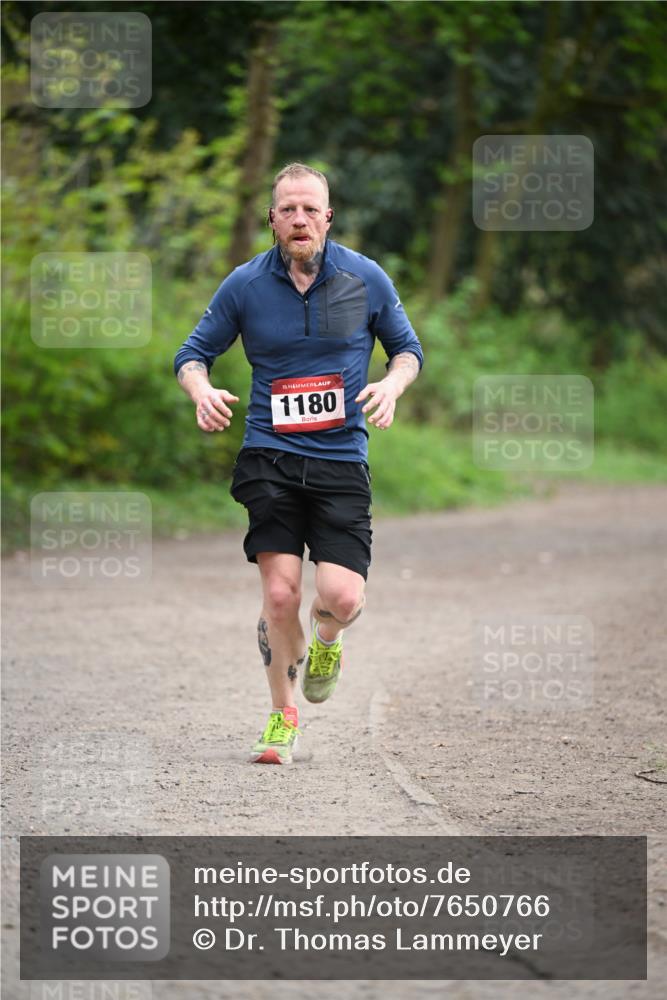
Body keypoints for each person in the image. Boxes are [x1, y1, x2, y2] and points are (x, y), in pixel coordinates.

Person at [174, 163, 423, 764]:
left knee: (341, 597)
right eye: (288, 209)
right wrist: (201, 390)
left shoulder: (364, 278)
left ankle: (329, 637)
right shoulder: (244, 285)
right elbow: (192, 354)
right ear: (272, 219)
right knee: (280, 597)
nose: (299, 218)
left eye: (310, 209)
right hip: (270, 456)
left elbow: (407, 351)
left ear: (328, 217)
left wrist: (391, 387)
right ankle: (282, 718)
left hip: (341, 457)